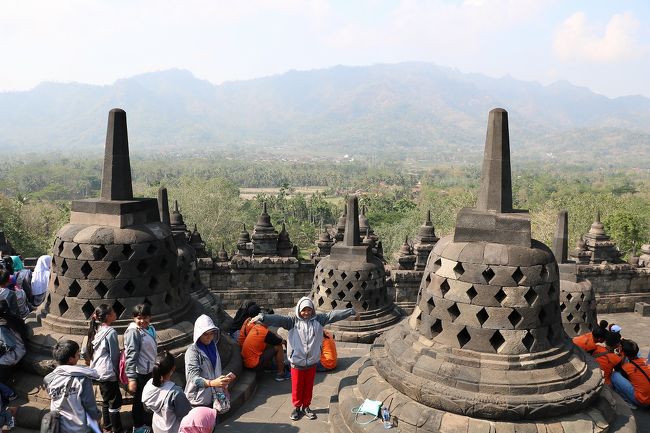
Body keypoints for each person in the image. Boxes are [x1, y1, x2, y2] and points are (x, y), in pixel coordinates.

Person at [251, 296, 357, 420]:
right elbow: (278, 319)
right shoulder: (292, 322)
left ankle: (306, 407)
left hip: (312, 362)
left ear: (312, 310)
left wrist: (350, 311)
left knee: (308, 386)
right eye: (303, 310)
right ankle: (296, 408)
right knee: (297, 387)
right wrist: (263, 317)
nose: (306, 313)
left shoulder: (319, 320)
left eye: (309, 310)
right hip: (297, 362)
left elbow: (333, 315)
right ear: (299, 310)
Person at [43, 339, 101, 433]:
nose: (79, 355)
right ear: (70, 359)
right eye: (77, 353)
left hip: (58, 427)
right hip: (78, 427)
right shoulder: (82, 379)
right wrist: (96, 418)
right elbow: (89, 404)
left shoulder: (48, 379)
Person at [85, 304, 123, 433]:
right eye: (113, 311)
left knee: (106, 401)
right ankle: (116, 429)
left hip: (98, 371)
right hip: (108, 372)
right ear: (108, 316)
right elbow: (114, 355)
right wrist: (119, 373)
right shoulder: (111, 332)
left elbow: (86, 351)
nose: (115, 313)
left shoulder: (96, 329)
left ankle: (107, 427)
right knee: (114, 402)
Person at [184, 315, 233, 408]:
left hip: (215, 397)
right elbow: (194, 379)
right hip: (198, 401)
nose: (209, 337)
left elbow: (215, 371)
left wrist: (224, 379)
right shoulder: (192, 352)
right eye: (205, 334)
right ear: (198, 333)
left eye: (211, 333)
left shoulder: (213, 346)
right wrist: (212, 383)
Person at [124, 303, 157, 433]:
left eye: (145, 317)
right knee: (138, 401)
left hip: (149, 369)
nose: (142, 321)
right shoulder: (134, 333)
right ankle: (137, 427)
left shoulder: (150, 328)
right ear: (133, 318)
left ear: (150, 317)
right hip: (140, 372)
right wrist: (131, 378)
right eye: (138, 318)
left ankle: (145, 422)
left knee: (147, 397)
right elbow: (131, 356)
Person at [142, 352, 192, 433]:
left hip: (157, 427)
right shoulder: (176, 392)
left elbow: (147, 409)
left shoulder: (149, 385)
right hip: (173, 429)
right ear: (173, 369)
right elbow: (186, 417)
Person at [612, 339, 650, 408]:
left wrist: (622, 355)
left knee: (615, 375)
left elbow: (620, 369)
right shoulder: (645, 361)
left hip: (643, 401)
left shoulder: (626, 368)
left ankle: (627, 401)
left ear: (623, 353)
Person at [0, 300, 27, 368]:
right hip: (21, 348)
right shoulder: (13, 317)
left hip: (15, 353)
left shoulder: (3, 326)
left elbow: (10, 346)